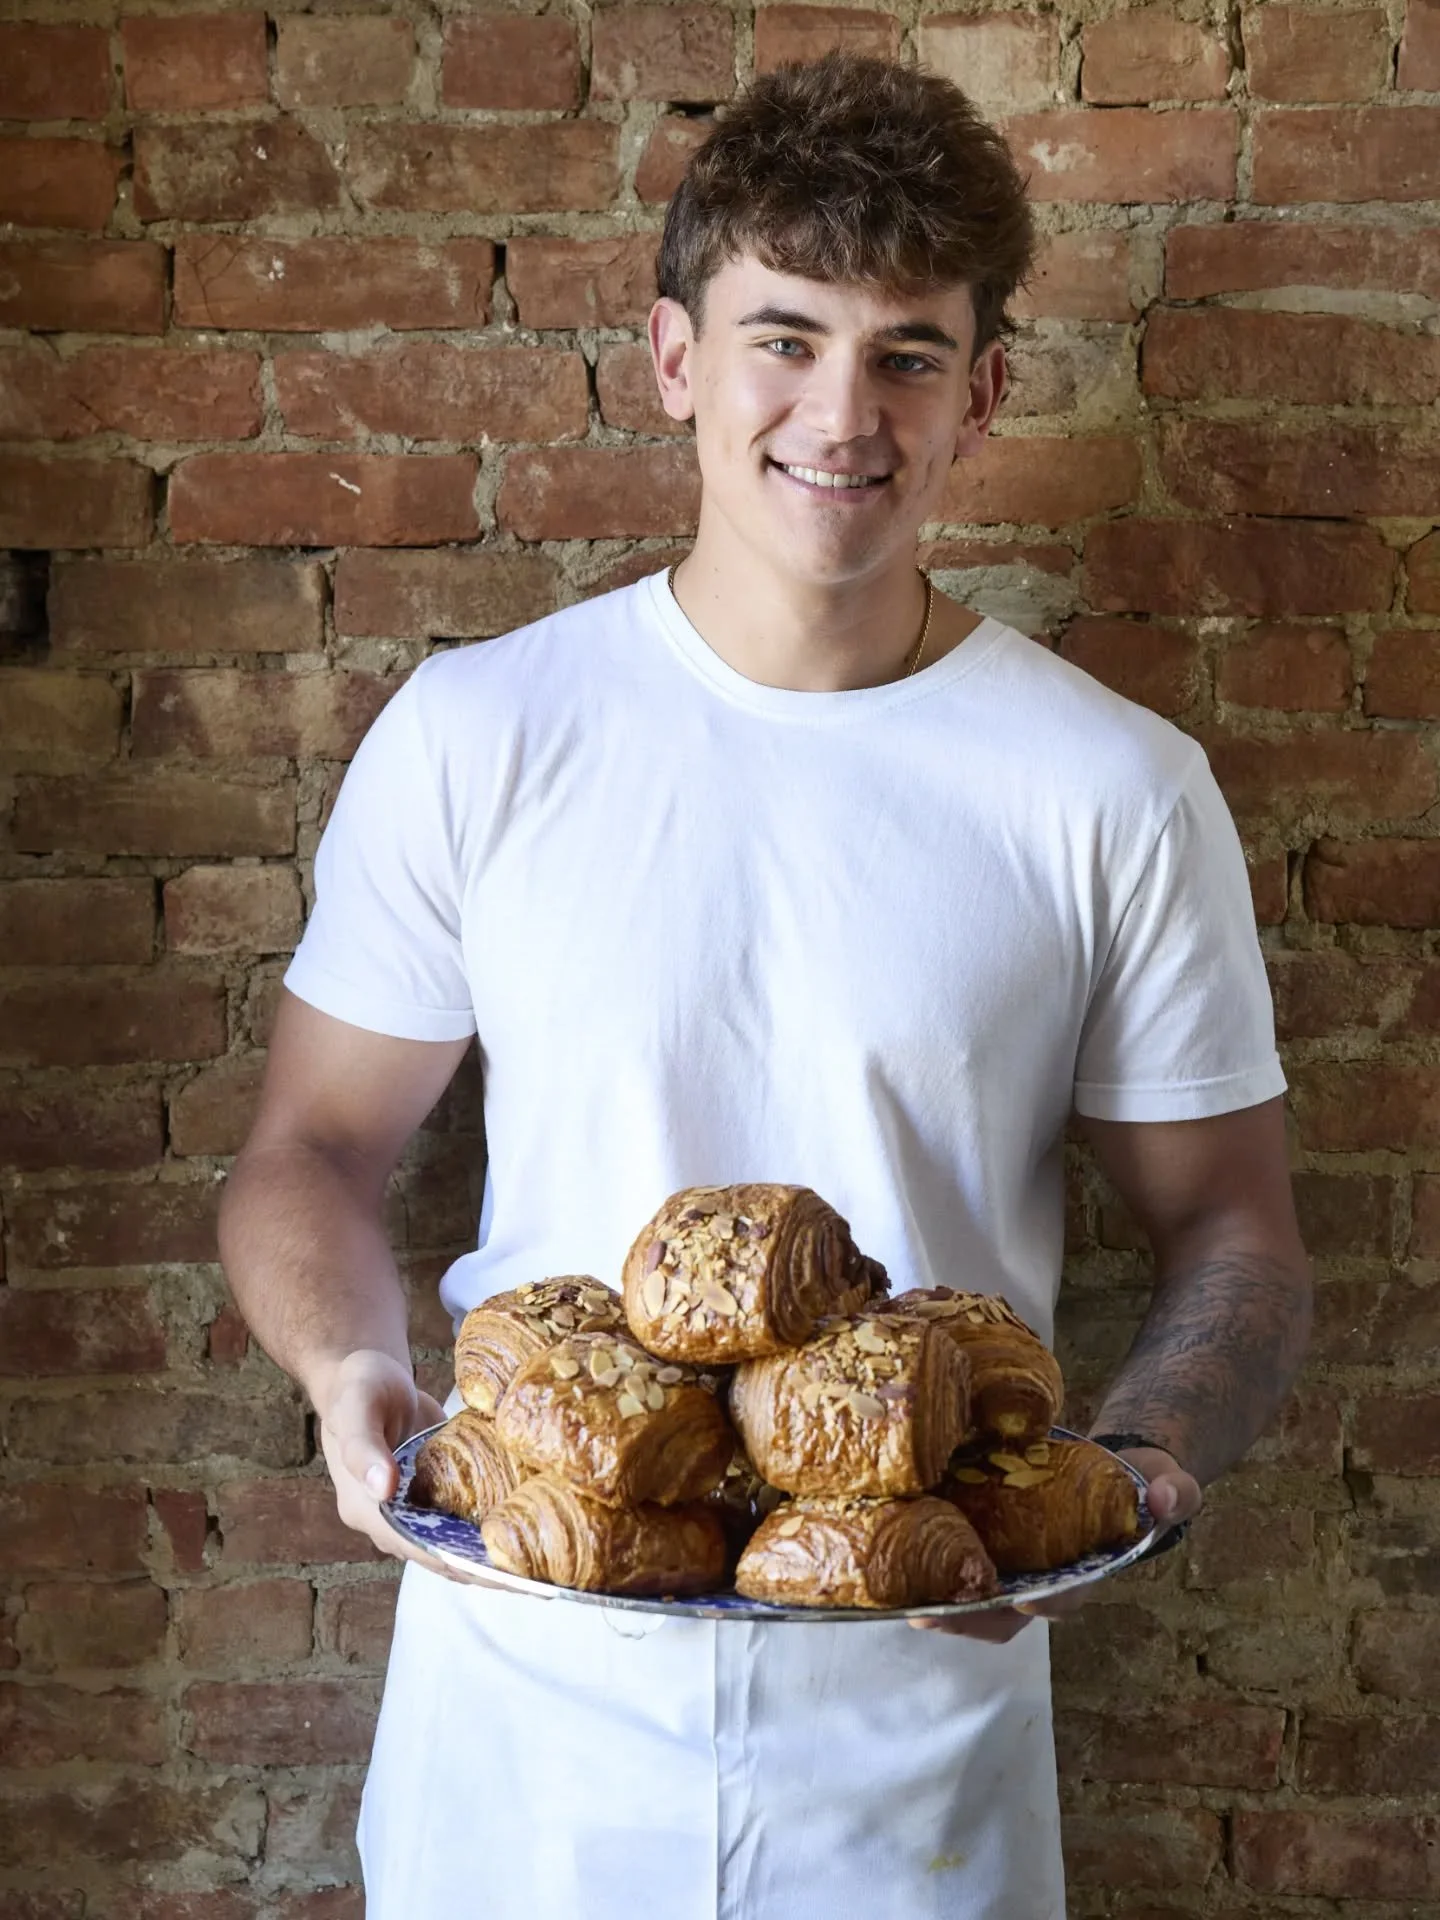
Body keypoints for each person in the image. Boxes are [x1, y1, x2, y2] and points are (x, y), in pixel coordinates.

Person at [219, 52, 1312, 1920]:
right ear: (675, 359)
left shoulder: (1113, 789)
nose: (841, 413)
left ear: (981, 395)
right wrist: (353, 1375)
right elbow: (309, 1149)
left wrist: (1134, 1467)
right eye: (783, 340)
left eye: (907, 355)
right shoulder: (484, 734)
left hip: (919, 1747)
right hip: (523, 1727)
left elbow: (1235, 1226)